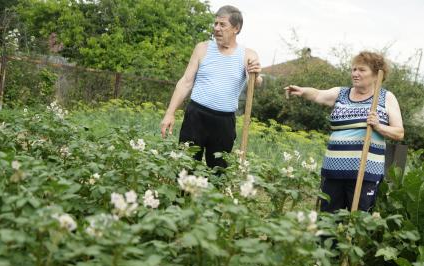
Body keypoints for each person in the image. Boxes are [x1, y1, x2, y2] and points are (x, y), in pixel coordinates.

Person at [285, 51, 404, 213]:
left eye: (361, 70)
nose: (355, 74)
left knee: (359, 221)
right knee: (328, 220)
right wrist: (302, 91)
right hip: (333, 170)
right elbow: (319, 94)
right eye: (353, 69)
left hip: (365, 173)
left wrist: (378, 126)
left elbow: (399, 133)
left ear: (376, 74)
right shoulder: (341, 93)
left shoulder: (385, 98)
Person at [160, 5, 262, 168]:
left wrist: (257, 76)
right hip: (196, 117)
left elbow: (255, 82)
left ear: (236, 28)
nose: (216, 28)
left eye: (222, 25)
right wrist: (169, 113)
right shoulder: (202, 48)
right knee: (185, 168)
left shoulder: (248, 55)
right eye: (215, 24)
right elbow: (186, 81)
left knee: (218, 173)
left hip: (224, 122)